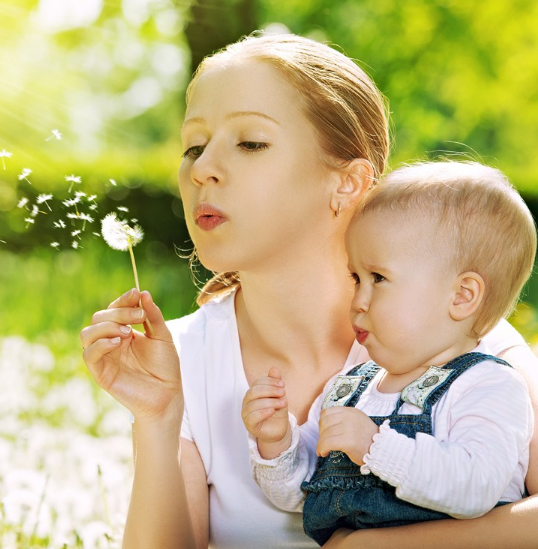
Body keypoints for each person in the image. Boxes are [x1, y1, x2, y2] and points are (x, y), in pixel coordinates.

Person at [79, 31, 538, 549]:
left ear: (346, 182)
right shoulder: (183, 360)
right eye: (193, 146)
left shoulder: (460, 337)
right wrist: (157, 421)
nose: (202, 169)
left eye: (250, 142)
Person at [244, 161, 535, 546]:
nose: (359, 299)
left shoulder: (489, 384)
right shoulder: (350, 389)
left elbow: (475, 487)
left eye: (378, 278)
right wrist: (277, 443)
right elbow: (301, 494)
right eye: (356, 278)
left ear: (462, 296)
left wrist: (374, 446)